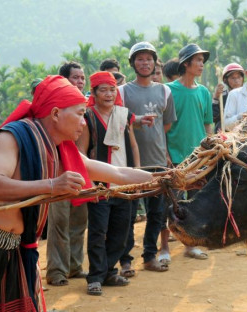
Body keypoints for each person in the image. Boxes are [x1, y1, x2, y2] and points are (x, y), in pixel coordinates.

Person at [0, 75, 153, 311]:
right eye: (80, 114)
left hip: (14, 248)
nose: (84, 122)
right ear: (56, 113)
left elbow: (118, 173)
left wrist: (170, 178)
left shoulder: (59, 149)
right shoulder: (12, 138)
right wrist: (51, 185)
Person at [76, 71, 154, 296]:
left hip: (124, 185)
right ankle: (96, 277)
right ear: (94, 93)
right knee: (98, 232)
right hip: (100, 185)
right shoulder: (88, 117)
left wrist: (137, 174)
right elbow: (82, 151)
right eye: (103, 90)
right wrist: (89, 182)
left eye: (112, 89)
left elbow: (133, 145)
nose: (109, 94)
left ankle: (109, 271)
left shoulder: (124, 114)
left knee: (121, 232)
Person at [120, 42, 176, 272]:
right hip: (130, 164)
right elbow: (116, 120)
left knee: (156, 214)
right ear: (133, 63)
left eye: (149, 59)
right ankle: (125, 261)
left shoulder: (165, 91)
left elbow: (167, 123)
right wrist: (137, 120)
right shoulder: (123, 91)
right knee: (129, 214)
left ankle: (149, 256)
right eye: (140, 59)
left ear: (155, 63)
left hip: (158, 163)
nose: (145, 63)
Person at [166, 43, 212, 260]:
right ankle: (164, 248)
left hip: (198, 157)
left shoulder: (204, 92)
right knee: (171, 202)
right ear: (186, 64)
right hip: (174, 155)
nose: (202, 65)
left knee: (196, 202)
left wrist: (209, 149)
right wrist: (164, 152)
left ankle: (190, 245)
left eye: (203, 61)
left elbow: (207, 124)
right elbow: (163, 126)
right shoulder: (169, 91)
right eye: (198, 61)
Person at [46, 62, 88, 287]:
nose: (80, 81)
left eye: (82, 78)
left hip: (80, 170)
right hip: (59, 172)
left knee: (79, 221)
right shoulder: (56, 108)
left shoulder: (84, 107)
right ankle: (56, 271)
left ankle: (74, 266)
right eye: (76, 77)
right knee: (59, 222)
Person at [212, 63, 245, 133]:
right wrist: (216, 97)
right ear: (225, 80)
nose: (236, 81)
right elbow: (213, 117)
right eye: (233, 78)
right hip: (226, 135)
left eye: (239, 77)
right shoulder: (222, 96)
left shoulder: (246, 95)